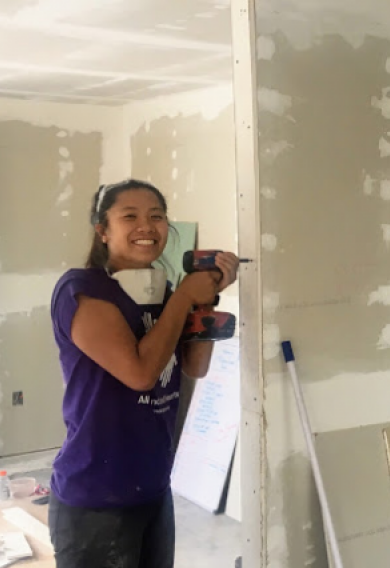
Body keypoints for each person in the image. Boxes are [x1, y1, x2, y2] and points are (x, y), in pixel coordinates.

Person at [47, 178, 239, 568]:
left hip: (152, 485)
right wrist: (186, 296)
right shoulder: (82, 291)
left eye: (157, 216)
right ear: (103, 230)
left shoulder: (163, 294)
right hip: (96, 494)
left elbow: (195, 366)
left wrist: (206, 300)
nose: (146, 227)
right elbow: (140, 375)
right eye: (129, 216)